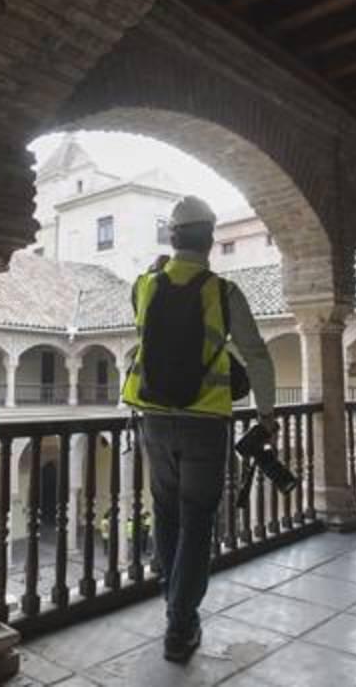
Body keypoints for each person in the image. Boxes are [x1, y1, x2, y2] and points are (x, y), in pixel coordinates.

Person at [121, 195, 276, 663]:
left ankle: (175, 604)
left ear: (173, 238)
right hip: (205, 422)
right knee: (198, 519)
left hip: (153, 418)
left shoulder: (144, 285)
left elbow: (144, 322)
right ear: (210, 241)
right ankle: (180, 623)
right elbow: (259, 356)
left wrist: (158, 267)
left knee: (166, 514)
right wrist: (266, 414)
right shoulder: (224, 292)